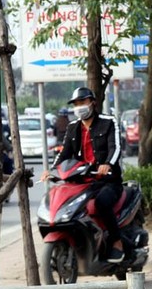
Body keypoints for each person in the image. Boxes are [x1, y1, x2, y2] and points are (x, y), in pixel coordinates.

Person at [44, 86, 125, 263]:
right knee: (65, 203)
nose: (79, 106)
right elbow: (64, 153)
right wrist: (52, 170)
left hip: (107, 181)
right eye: (76, 104)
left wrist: (107, 164)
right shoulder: (73, 127)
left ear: (92, 103)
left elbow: (116, 147)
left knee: (102, 203)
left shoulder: (108, 122)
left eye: (83, 102)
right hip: (81, 182)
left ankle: (116, 241)